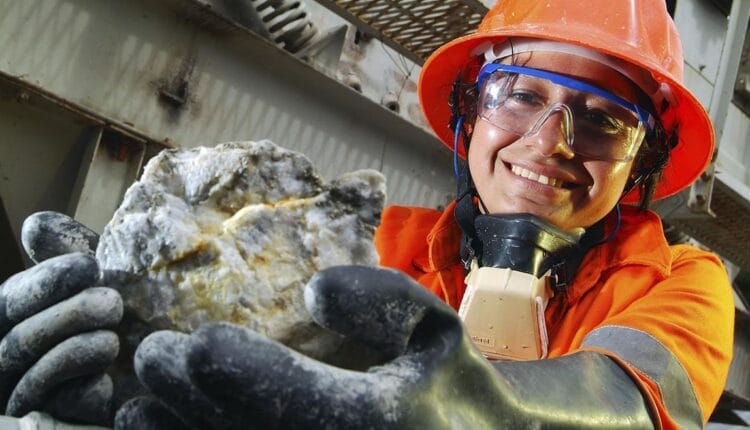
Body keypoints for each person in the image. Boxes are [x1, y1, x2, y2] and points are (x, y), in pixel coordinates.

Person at [0, 0, 734, 428]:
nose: (551, 144)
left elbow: (623, 406)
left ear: (643, 162)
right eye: (522, 94)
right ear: (468, 113)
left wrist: (462, 408)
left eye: (605, 120)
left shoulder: (681, 283)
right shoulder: (379, 245)